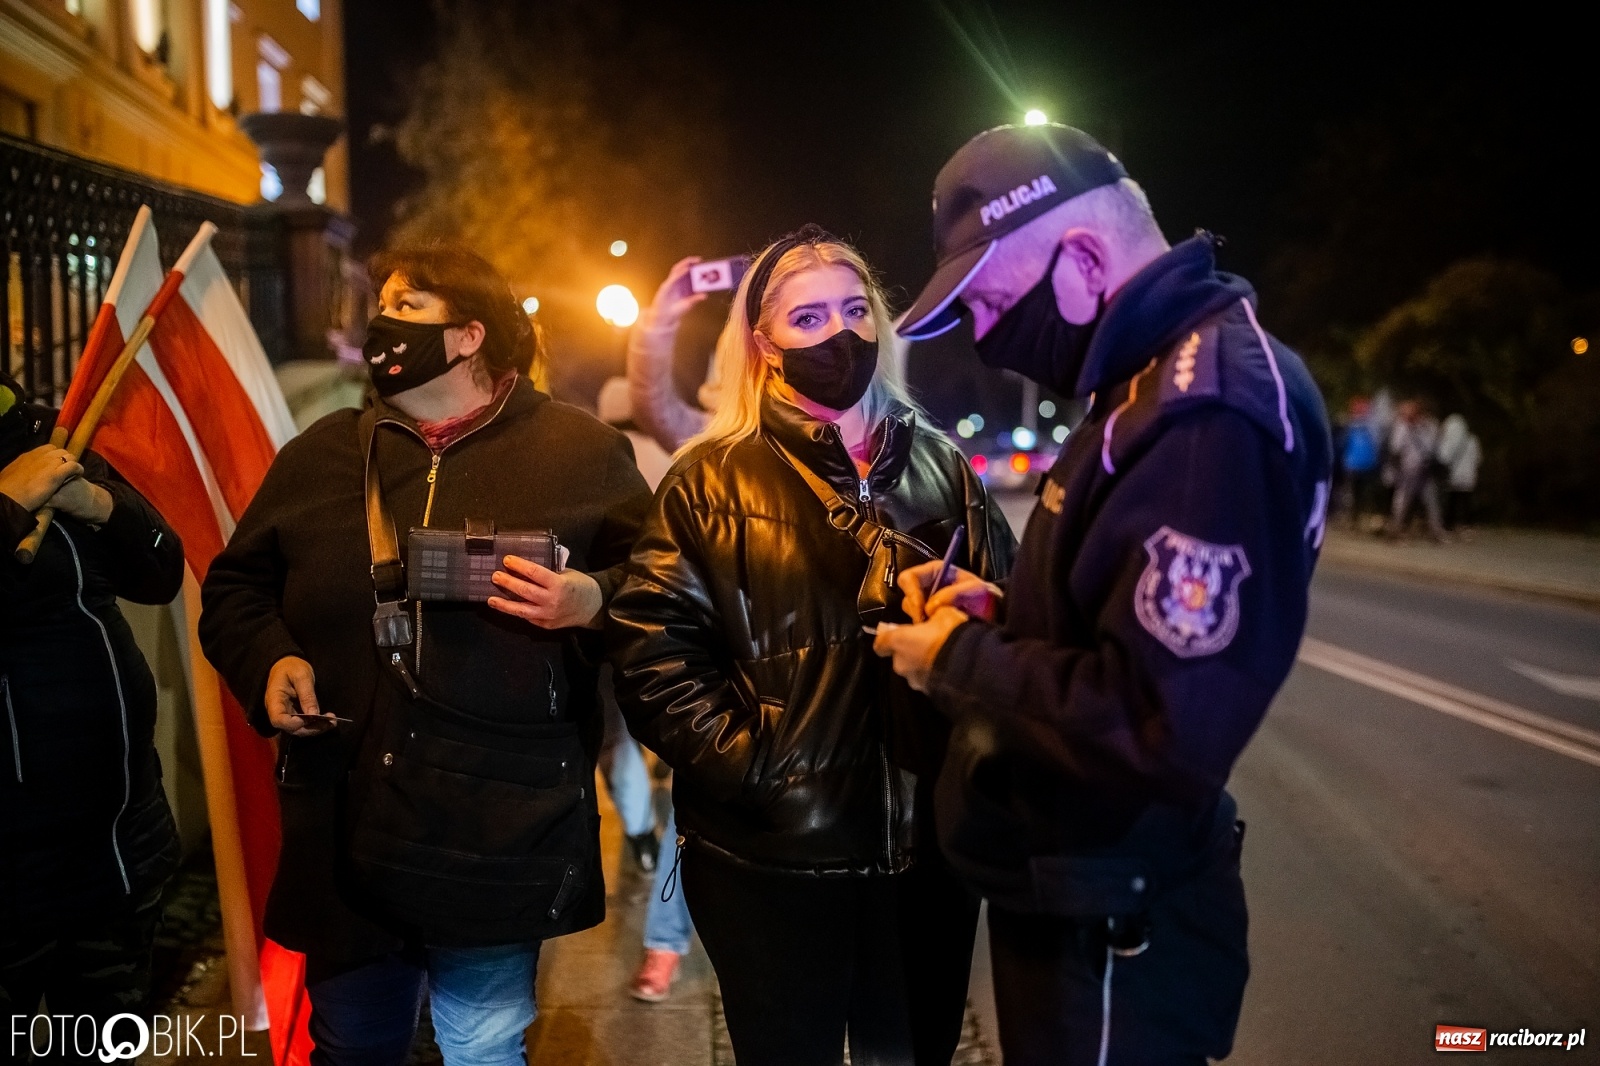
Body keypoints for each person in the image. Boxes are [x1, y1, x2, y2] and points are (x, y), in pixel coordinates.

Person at [875, 123, 1332, 1065]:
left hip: (1118, 927)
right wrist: (995, 612)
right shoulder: (1143, 383)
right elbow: (1114, 628)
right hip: (1081, 891)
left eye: (996, 305)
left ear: (1082, 257)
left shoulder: (1203, 414)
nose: (991, 340)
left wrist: (956, 662)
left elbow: (1161, 724)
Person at [199, 245, 652, 1066]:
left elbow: (667, 591)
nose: (381, 324)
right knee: (354, 1045)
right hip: (346, 816)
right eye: (383, 304)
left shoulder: (581, 453)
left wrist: (592, 598)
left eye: (408, 307)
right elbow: (235, 591)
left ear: (471, 334)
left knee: (481, 1046)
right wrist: (268, 659)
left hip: (497, 821)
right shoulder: (324, 452)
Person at [607, 226, 1015, 1064]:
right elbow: (651, 651)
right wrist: (755, 766)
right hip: (770, 863)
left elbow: (1012, 623)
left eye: (856, 309)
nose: (840, 334)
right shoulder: (708, 478)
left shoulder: (943, 468)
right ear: (763, 345)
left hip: (923, 860)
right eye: (809, 317)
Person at [0, 370, 185, 1045]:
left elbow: (163, 571)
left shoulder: (55, 436)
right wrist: (8, 504)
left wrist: (99, 504)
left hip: (116, 855)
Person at [1385, 398, 1445, 540]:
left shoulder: (1428, 426)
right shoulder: (1403, 426)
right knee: (1405, 500)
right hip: (1410, 469)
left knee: (1430, 500)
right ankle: (1396, 528)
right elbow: (1396, 447)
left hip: (1422, 467)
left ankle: (1435, 530)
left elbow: (1432, 446)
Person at [1338, 396, 1379, 527]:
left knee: (1353, 493)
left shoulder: (1349, 425)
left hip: (1355, 464)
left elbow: (1342, 444)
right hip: (1361, 465)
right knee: (1358, 494)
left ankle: (1353, 519)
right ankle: (1354, 519)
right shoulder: (1369, 427)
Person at [1436, 412, 1480, 533]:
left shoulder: (1448, 441)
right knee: (1466, 501)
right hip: (1469, 476)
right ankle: (1465, 524)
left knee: (1452, 501)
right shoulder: (1472, 439)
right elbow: (1477, 458)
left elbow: (1442, 458)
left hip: (1453, 475)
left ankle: (1449, 524)